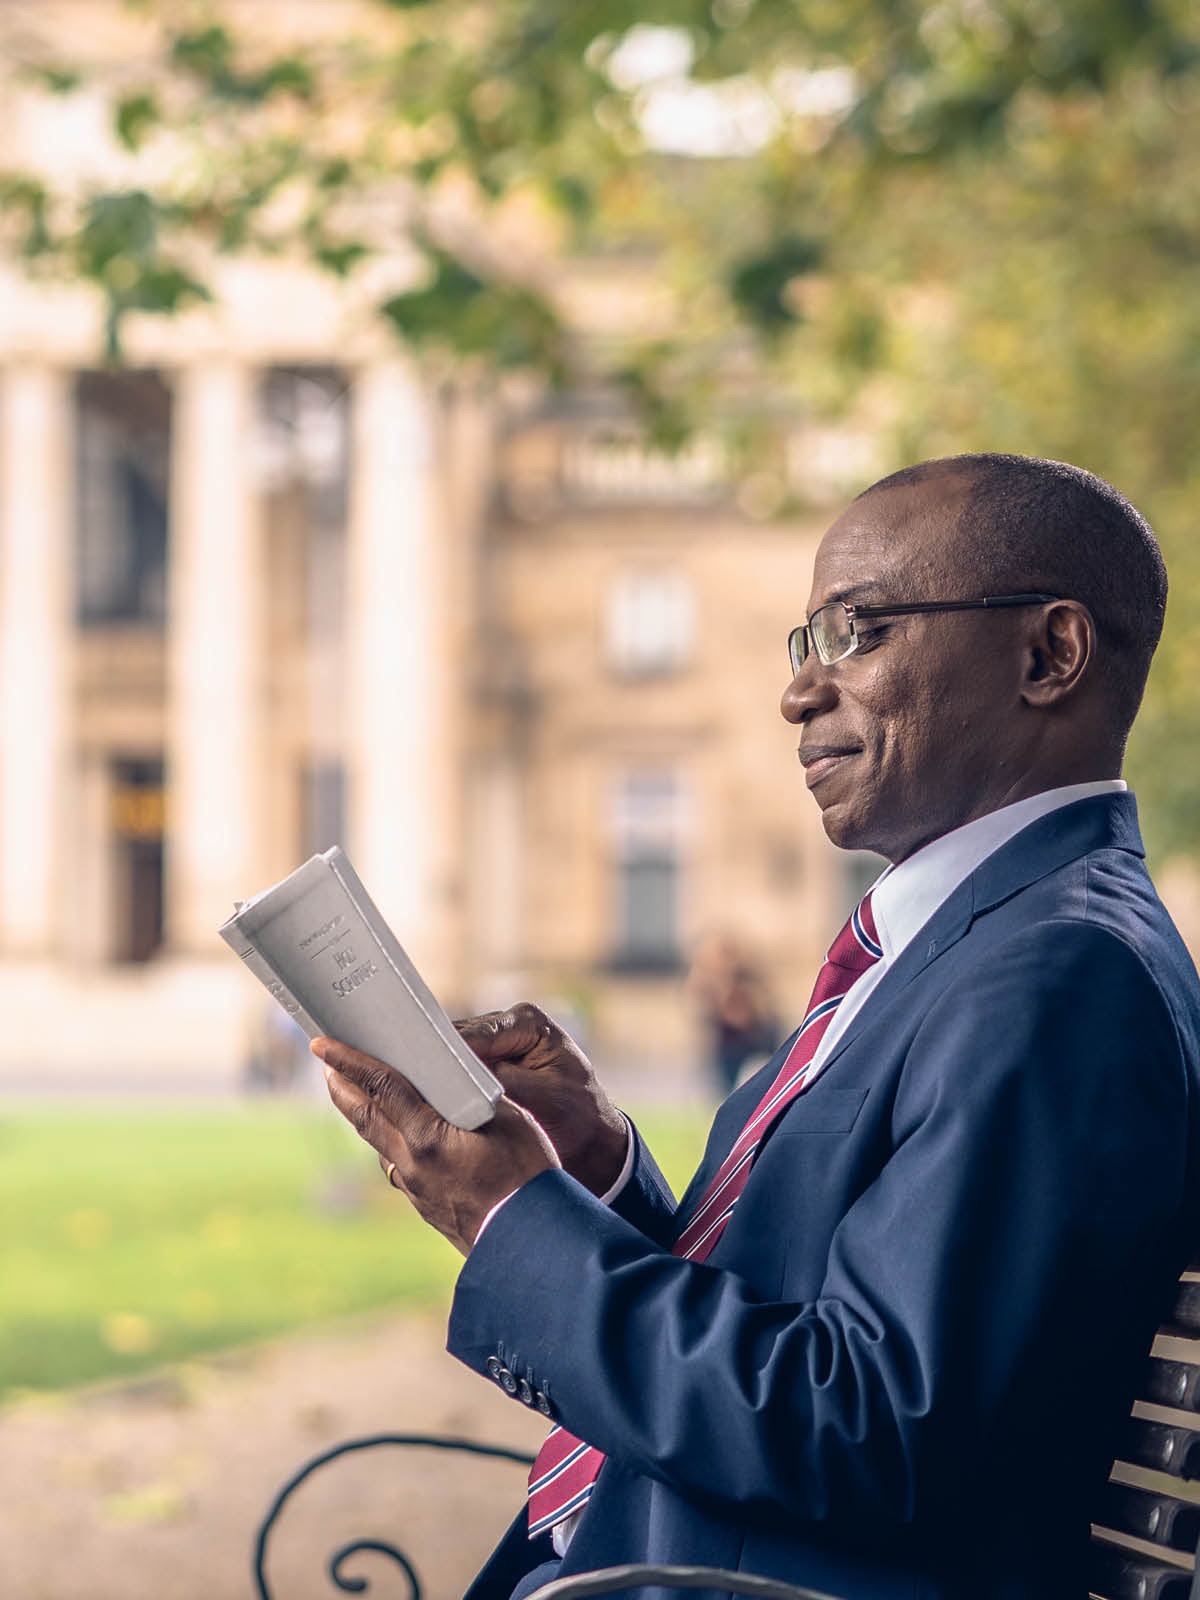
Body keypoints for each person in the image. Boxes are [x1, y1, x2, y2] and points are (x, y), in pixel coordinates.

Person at [313, 454, 1200, 1600]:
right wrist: (596, 1169)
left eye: (861, 632)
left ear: (1048, 655)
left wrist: (508, 1217)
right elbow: (803, 1308)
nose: (799, 692)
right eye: (805, 645)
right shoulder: (966, 940)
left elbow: (867, 1430)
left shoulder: (1060, 975)